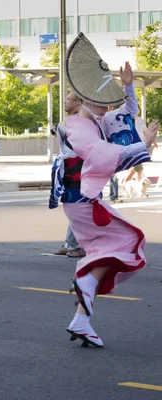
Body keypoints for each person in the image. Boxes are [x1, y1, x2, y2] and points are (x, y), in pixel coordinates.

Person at [51, 34, 154, 348]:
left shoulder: (96, 120)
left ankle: (82, 319)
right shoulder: (75, 126)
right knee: (125, 240)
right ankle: (84, 279)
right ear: (82, 100)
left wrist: (127, 87)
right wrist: (142, 146)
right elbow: (98, 152)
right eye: (100, 100)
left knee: (113, 247)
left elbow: (127, 112)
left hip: (84, 198)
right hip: (78, 199)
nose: (106, 106)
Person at [52, 91, 86, 258]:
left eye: (68, 99)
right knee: (74, 206)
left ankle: (77, 244)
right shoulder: (67, 122)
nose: (65, 102)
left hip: (81, 170)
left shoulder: (84, 122)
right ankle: (71, 243)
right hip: (69, 169)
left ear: (77, 102)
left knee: (80, 206)